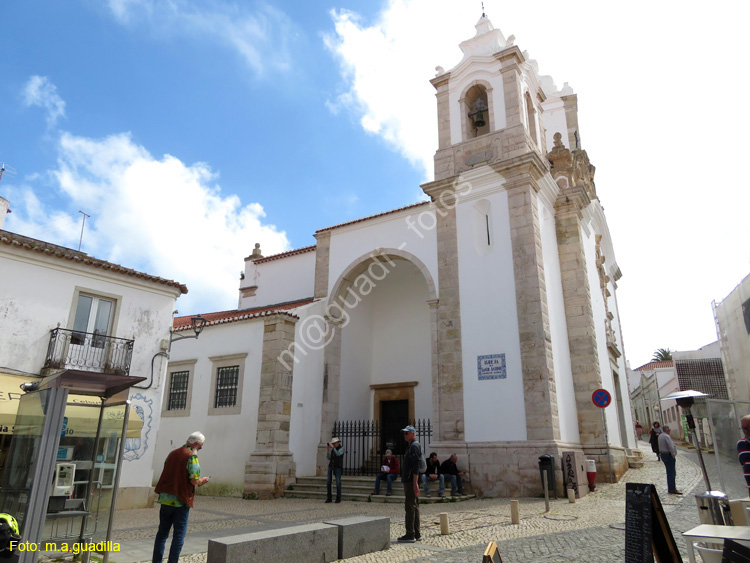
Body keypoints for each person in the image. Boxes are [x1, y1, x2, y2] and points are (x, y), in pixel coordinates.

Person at [152, 431, 210, 563]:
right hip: (181, 501)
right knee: (178, 536)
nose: (199, 449)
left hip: (166, 499)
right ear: (196, 444)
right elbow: (194, 480)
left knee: (162, 534)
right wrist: (203, 481)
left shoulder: (172, 454)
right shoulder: (192, 457)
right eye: (200, 447)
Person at [398, 425, 422, 543]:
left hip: (410, 480)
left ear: (413, 433)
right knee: (414, 506)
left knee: (410, 506)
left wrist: (415, 482)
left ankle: (410, 534)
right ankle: (416, 533)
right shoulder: (411, 446)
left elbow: (416, 465)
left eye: (407, 433)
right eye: (404, 433)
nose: (404, 435)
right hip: (410, 480)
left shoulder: (414, 446)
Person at [657, 426, 681, 495]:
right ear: (668, 430)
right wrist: (673, 454)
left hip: (663, 454)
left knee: (669, 472)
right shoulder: (666, 436)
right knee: (672, 473)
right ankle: (672, 488)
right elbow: (671, 446)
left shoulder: (660, 436)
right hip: (668, 455)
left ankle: (671, 488)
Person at [326, 437, 344, 503]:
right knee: (328, 482)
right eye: (333, 443)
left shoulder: (342, 448)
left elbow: (338, 454)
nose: (333, 444)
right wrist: (328, 450)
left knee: (338, 482)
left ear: (337, 443)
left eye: (334, 443)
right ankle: (329, 497)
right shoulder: (333, 449)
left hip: (338, 467)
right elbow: (329, 457)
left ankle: (338, 498)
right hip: (331, 466)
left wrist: (333, 448)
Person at [737, 414, 750, 497]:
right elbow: (743, 465)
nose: (746, 431)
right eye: (743, 428)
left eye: (748, 427)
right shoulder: (740, 444)